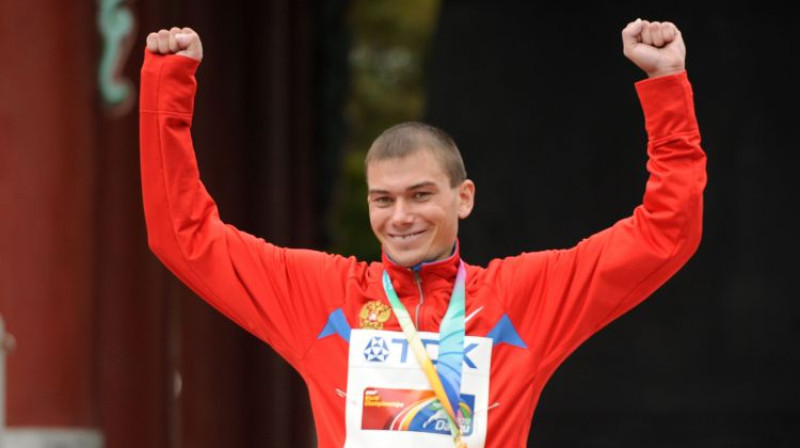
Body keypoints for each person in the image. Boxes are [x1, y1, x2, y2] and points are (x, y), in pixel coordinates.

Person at [140, 18, 705, 448]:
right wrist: (169, 88)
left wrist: (666, 84)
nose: (400, 216)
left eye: (420, 195)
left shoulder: (525, 297)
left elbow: (664, 234)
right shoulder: (322, 296)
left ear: (464, 198)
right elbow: (184, 235)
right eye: (382, 200)